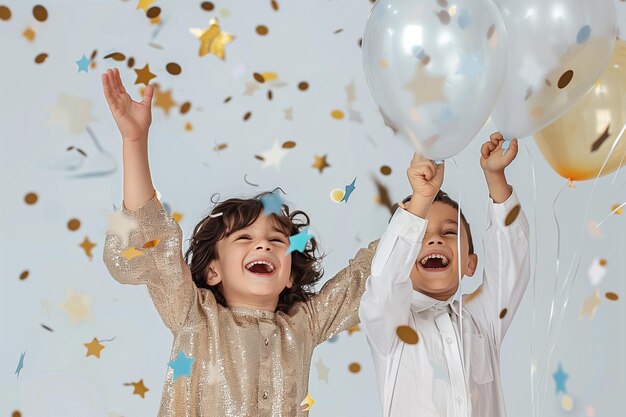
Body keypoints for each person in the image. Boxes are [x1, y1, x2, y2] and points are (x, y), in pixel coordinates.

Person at [100, 68, 377, 416]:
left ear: (290, 274)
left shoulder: (303, 325)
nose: (263, 246)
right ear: (213, 269)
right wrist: (135, 143)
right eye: (244, 238)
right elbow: (152, 238)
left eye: (277, 241)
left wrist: (420, 207)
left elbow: (366, 276)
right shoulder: (194, 316)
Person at [359, 134, 530, 417]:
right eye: (421, 235)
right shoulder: (393, 327)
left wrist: (495, 177)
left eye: (449, 232)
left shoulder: (480, 321)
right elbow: (384, 282)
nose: (436, 240)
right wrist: (421, 198)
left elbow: (513, 260)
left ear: (470, 264)